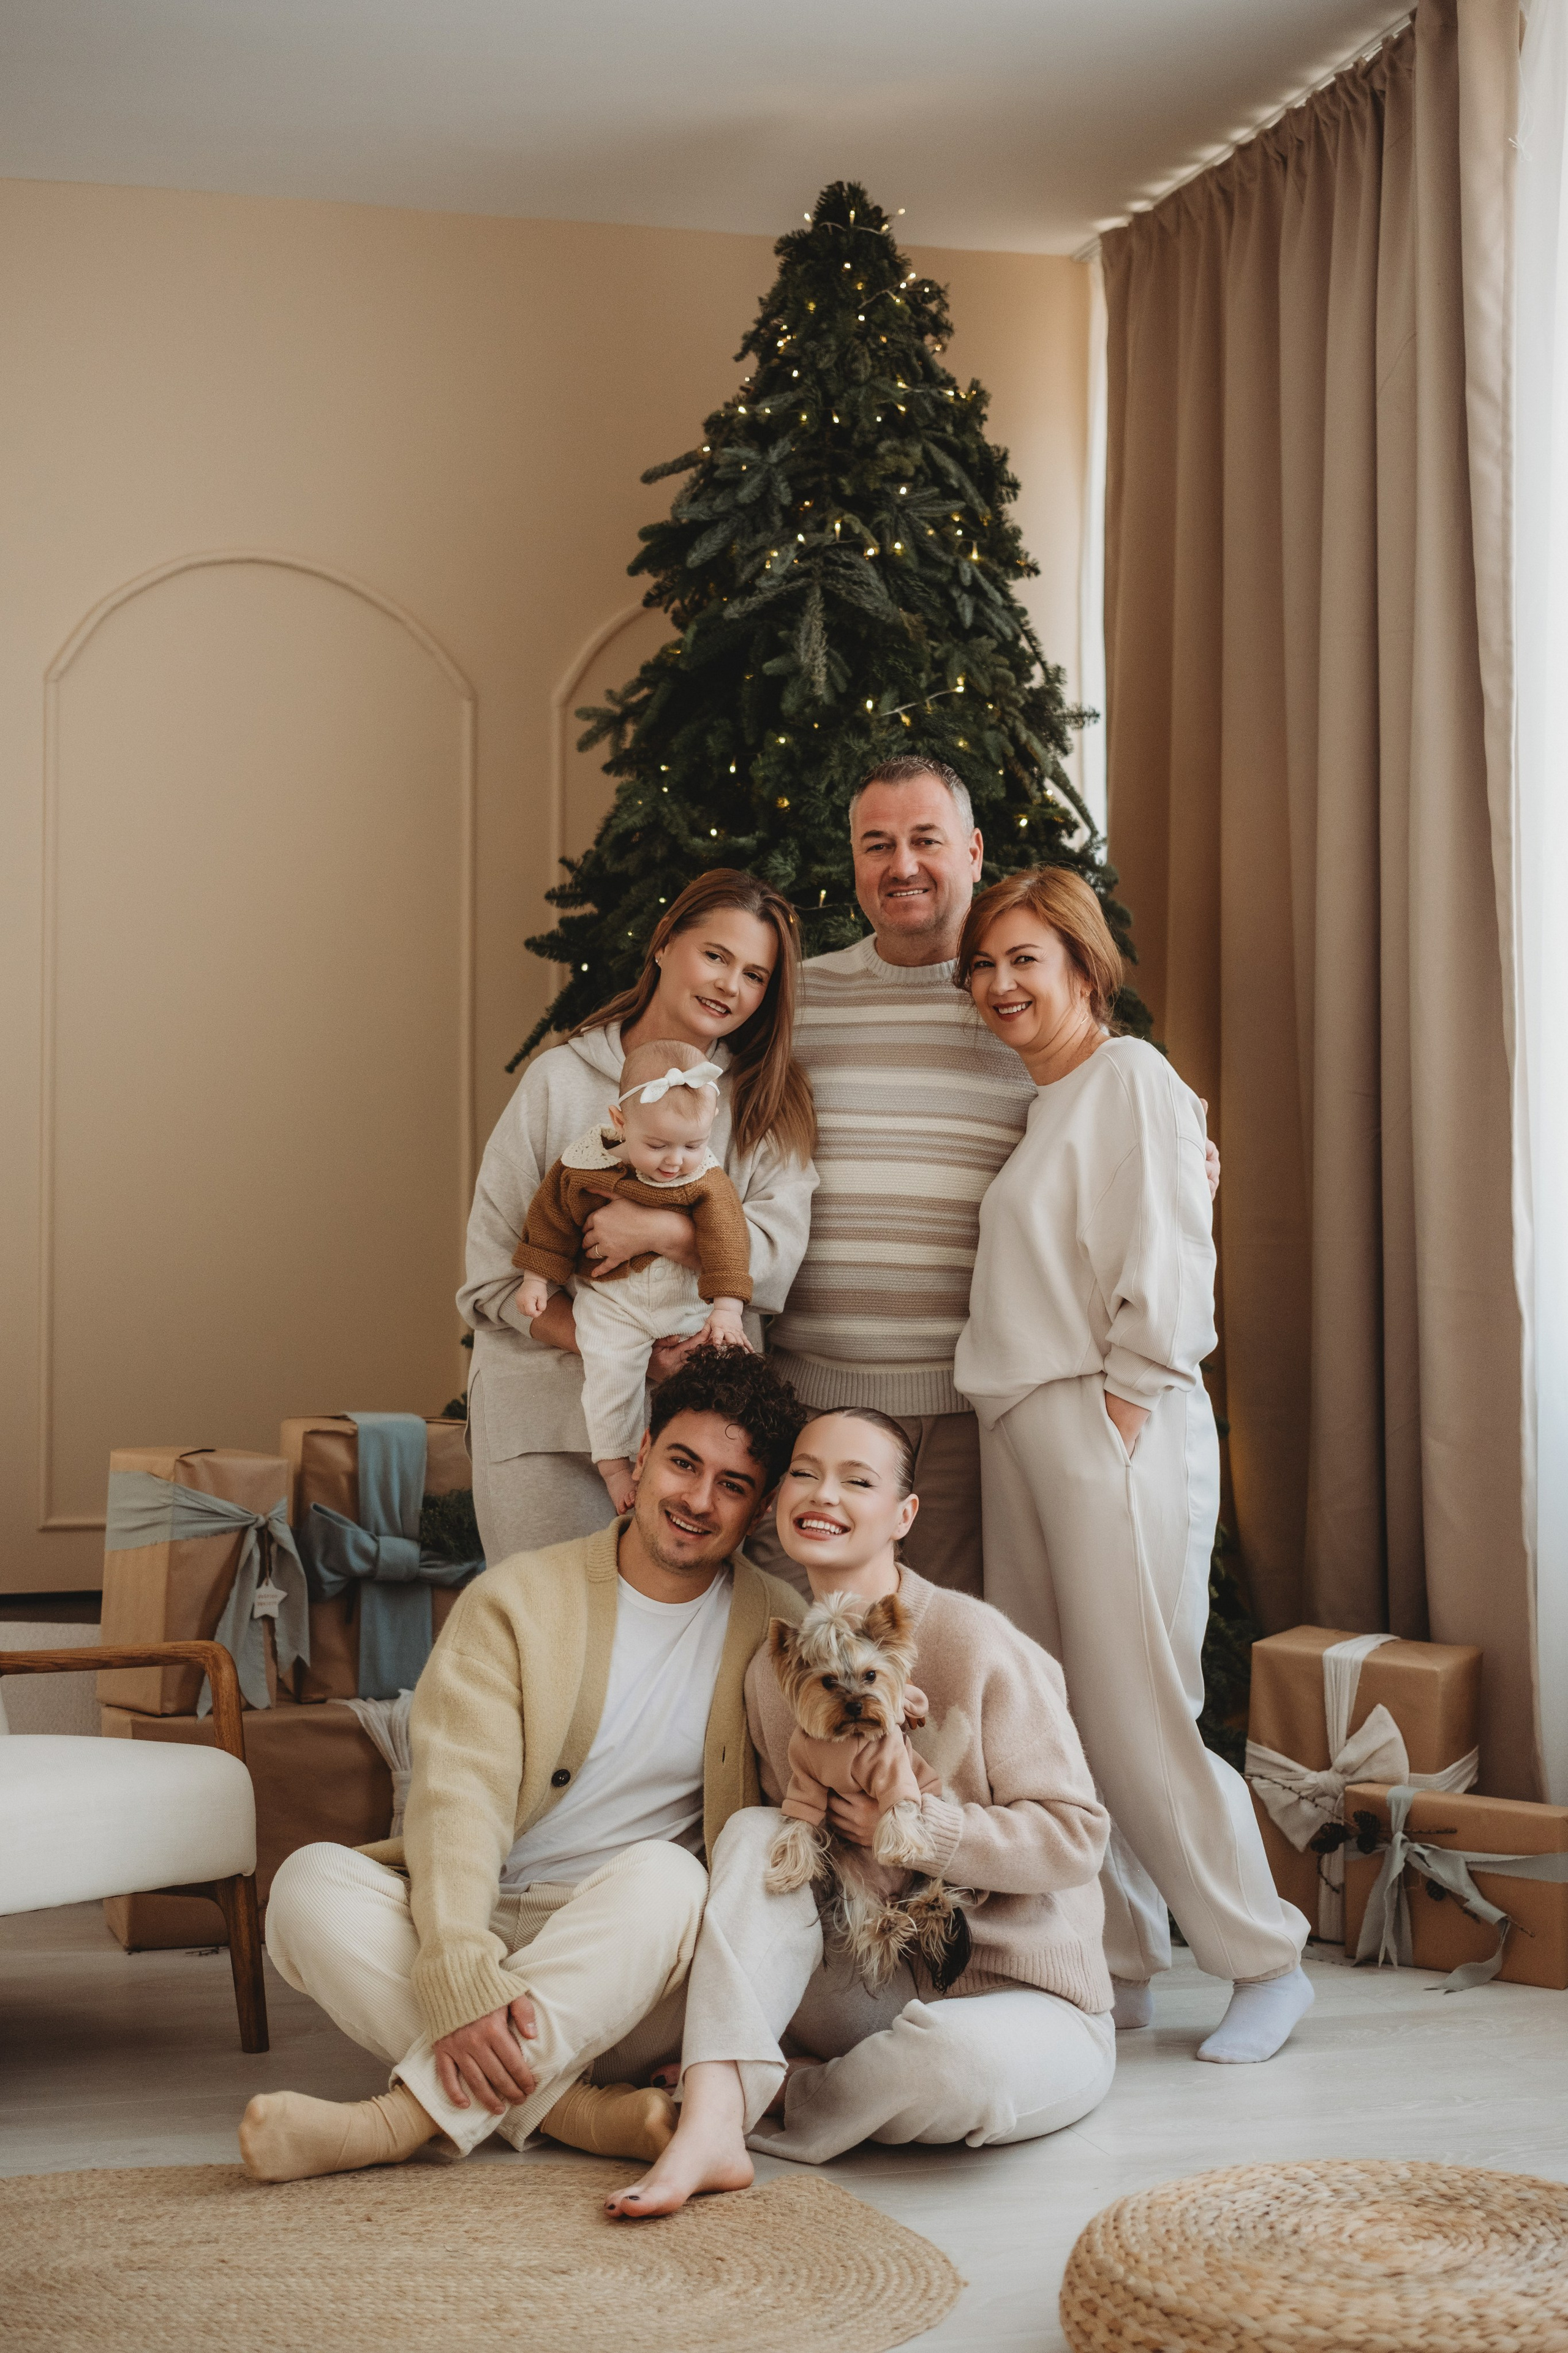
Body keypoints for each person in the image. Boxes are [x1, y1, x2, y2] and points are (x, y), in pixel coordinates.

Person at [237, 1346, 808, 2186]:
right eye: (684, 1463)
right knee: (306, 1887)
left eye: (732, 1484)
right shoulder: (517, 1597)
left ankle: (397, 2121)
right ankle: (576, 2110)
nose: (697, 1499)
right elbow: (456, 1795)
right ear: (641, 1454)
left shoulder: (777, 1625)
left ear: (756, 1510)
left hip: (627, 1955)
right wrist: (459, 1965)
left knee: (669, 1878)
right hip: (477, 1908)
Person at [951, 867, 1313, 2064]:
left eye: (1025, 960)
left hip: (1105, 1418)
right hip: (1022, 1424)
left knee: (1136, 1706)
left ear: (1082, 968)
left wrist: (1120, 1407)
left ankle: (1261, 1956)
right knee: (1054, 1718)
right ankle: (1112, 1963)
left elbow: (1164, 1257)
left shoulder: (1131, 1079)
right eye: (984, 964)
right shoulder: (1047, 1101)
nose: (1000, 984)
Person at [605, 1406, 1115, 2218]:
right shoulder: (773, 1674)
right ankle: (710, 2123)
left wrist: (920, 1826)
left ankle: (777, 2098)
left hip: (1022, 2001)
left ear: (903, 1514)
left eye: (858, 1479)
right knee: (753, 1834)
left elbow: (1077, 1838)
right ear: (776, 1500)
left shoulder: (974, 1642)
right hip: (871, 1979)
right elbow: (793, 1873)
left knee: (953, 2070)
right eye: (805, 1472)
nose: (824, 1494)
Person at [751, 755, 1218, 1600]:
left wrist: (1193, 1160)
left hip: (972, 1418)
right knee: (800, 1661)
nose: (902, 865)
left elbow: (1123, 1145)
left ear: (972, 851)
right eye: (877, 844)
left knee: (954, 1674)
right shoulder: (797, 1000)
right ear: (852, 861)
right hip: (810, 1401)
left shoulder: (1022, 1003)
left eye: (925, 839)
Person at [460, 869, 817, 1563]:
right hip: (543, 1428)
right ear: (663, 945)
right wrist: (620, 1349)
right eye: (714, 956)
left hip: (699, 1444)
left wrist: (665, 1232)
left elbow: (777, 1259)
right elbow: (493, 1280)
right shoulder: (558, 1082)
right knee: (552, 1651)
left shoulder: (767, 1102)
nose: (728, 986)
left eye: (754, 974)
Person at [513, 1038, 753, 1514]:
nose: (675, 1161)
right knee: (608, 1373)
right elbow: (550, 1220)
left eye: (693, 1144)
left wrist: (727, 1308)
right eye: (657, 1145)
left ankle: (709, 1478)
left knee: (718, 1374)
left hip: (684, 1302)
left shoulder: (704, 1178)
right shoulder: (583, 1165)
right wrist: (536, 1278)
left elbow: (728, 1242)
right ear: (619, 1122)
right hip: (613, 1300)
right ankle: (615, 1464)